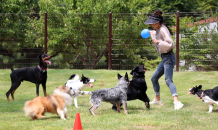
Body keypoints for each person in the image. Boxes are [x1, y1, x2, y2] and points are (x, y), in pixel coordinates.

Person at [144, 9, 183, 110]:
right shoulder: (158, 29)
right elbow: (155, 33)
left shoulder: (163, 30)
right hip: (164, 58)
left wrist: (158, 42)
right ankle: (157, 100)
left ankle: (177, 102)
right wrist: (150, 32)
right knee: (154, 78)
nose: (151, 26)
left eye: (152, 24)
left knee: (168, 80)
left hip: (169, 57)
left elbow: (170, 44)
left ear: (157, 23)